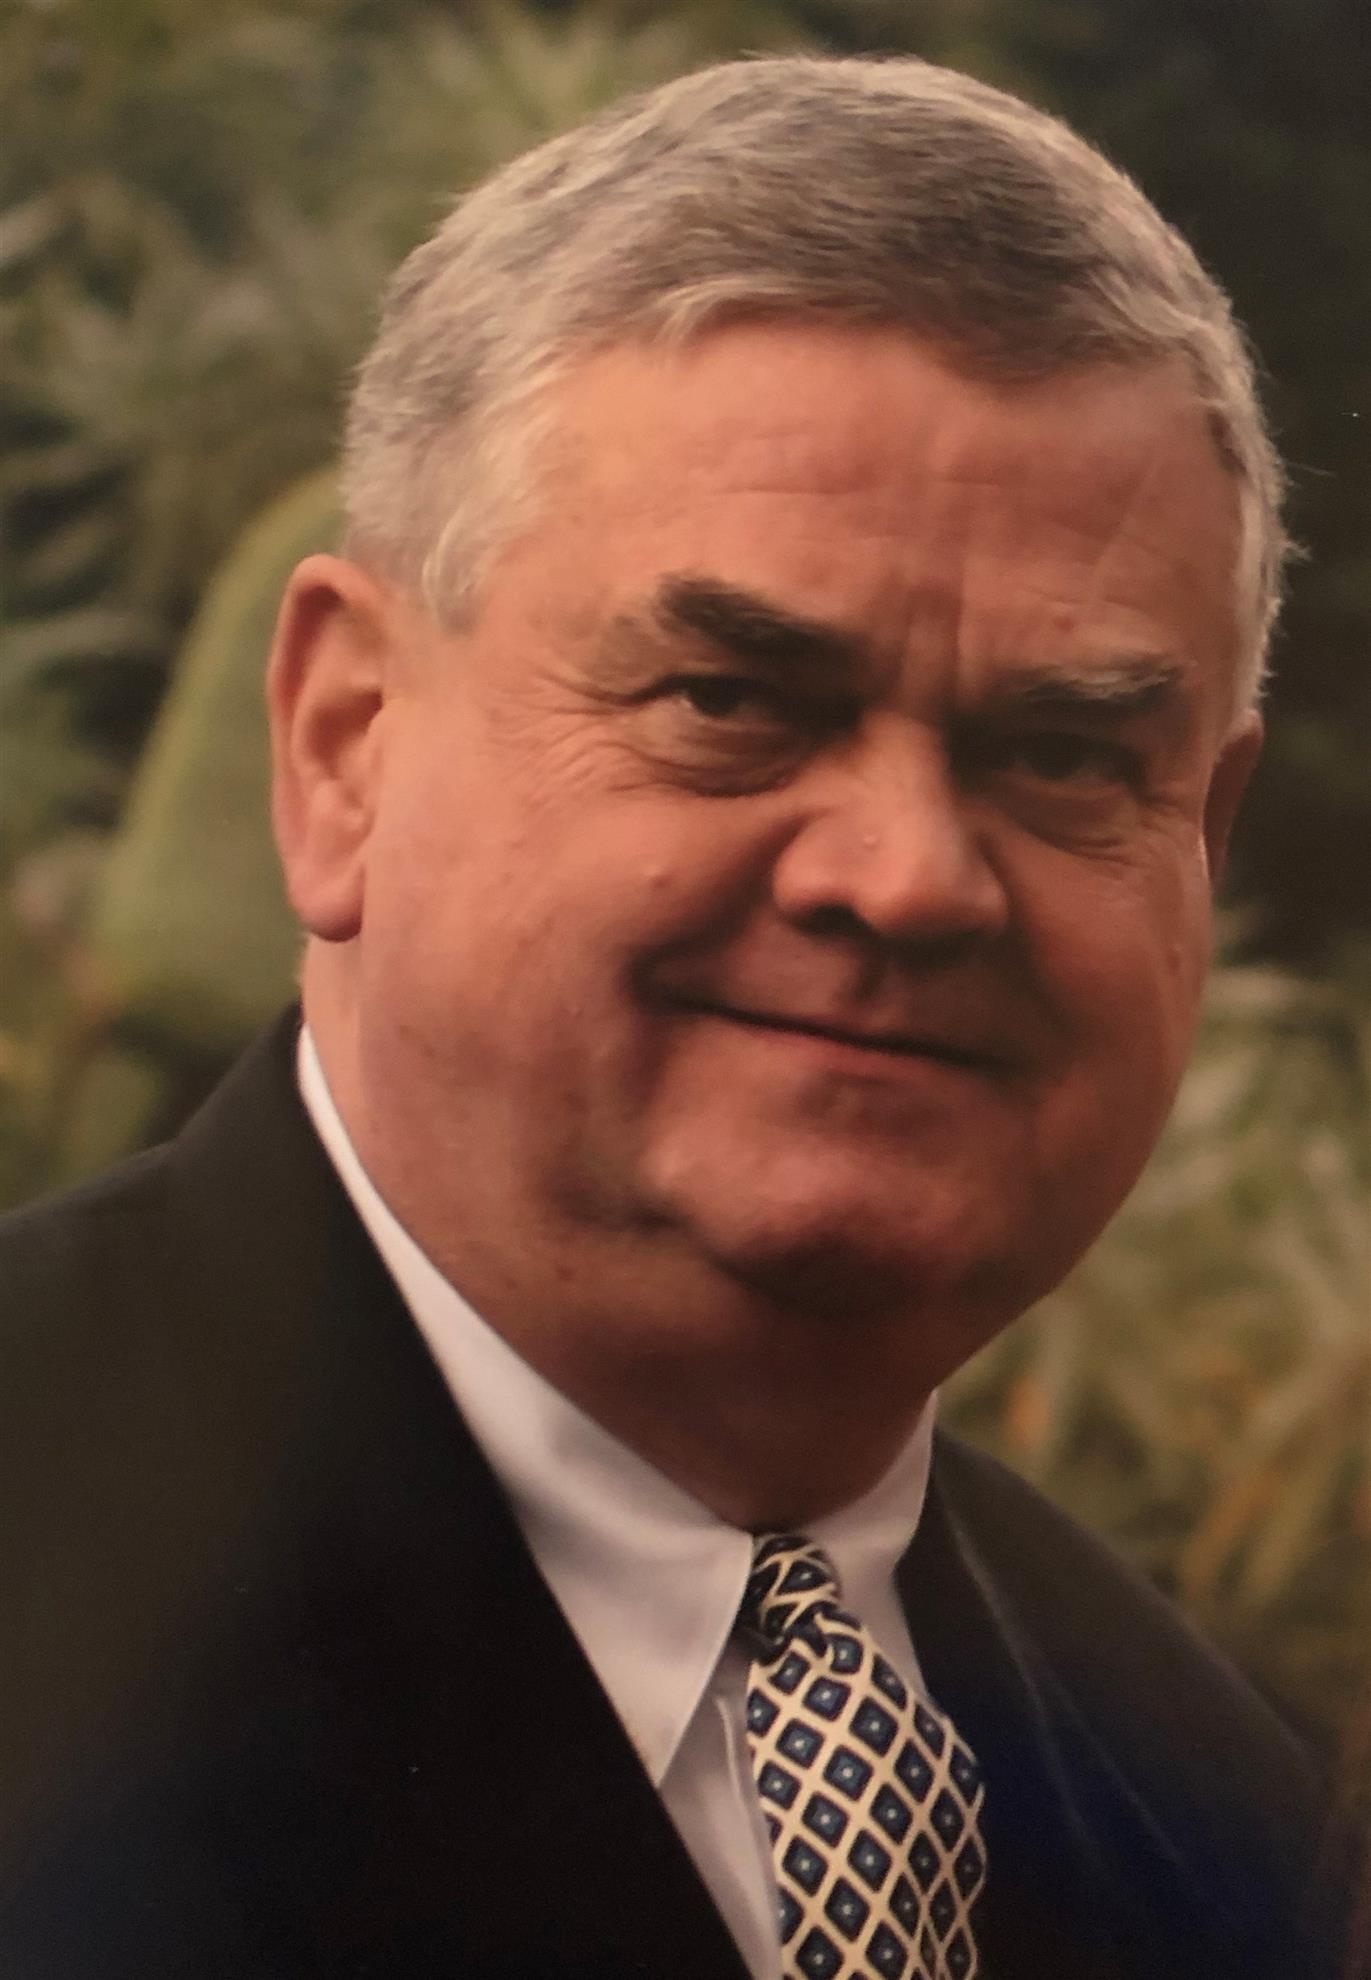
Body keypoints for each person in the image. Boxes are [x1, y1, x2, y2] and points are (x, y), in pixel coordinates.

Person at [0, 53, 1346, 1980]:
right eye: (731, 699)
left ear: (1204, 840)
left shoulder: (1227, 1830)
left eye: (1062, 752)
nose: (907, 875)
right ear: (343, 745)